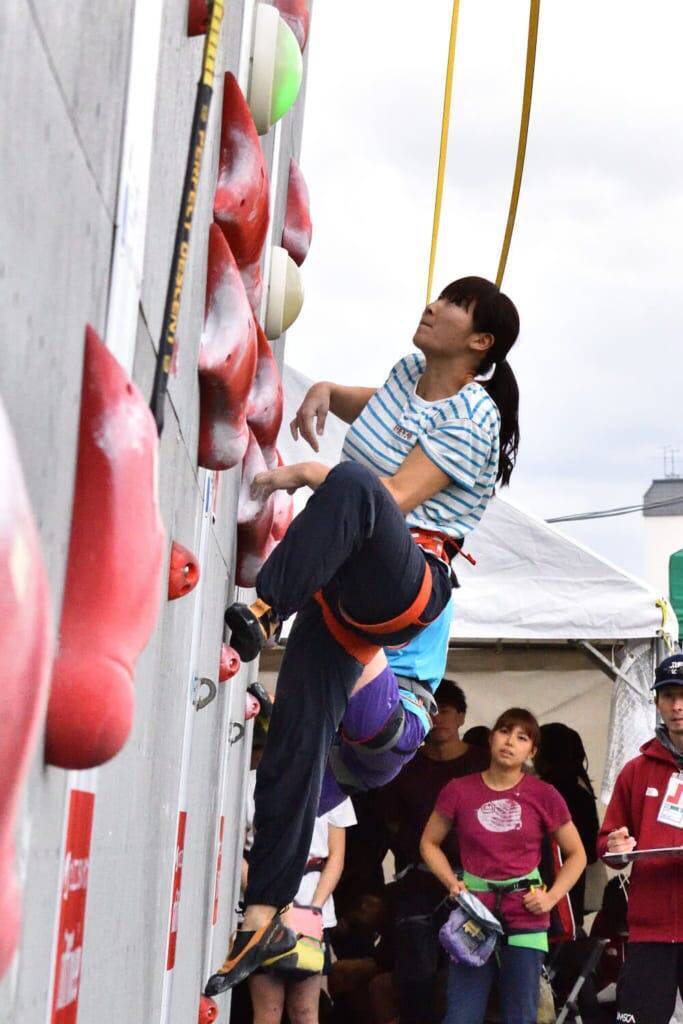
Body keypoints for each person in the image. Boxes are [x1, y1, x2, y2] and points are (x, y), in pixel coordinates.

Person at [206, 278, 521, 994]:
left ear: (479, 344)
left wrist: (307, 470)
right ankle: (265, 912)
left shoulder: (474, 420)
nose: (431, 305)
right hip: (344, 591)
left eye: (452, 304)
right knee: (293, 742)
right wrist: (324, 390)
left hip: (404, 583)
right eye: (436, 295)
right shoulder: (410, 372)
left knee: (350, 484)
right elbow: (374, 405)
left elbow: (386, 498)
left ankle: (263, 612)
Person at [420, 708, 586, 1024]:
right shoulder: (458, 789)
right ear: (491, 737)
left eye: (522, 737)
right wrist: (451, 882)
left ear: (532, 751)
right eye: (504, 731)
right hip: (474, 913)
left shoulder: (544, 794)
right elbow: (429, 843)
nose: (510, 742)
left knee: (521, 1015)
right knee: (461, 1015)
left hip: (526, 912)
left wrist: (551, 898)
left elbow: (576, 853)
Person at [378, 679, 489, 1024]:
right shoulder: (404, 765)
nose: (437, 718)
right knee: (416, 975)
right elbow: (390, 823)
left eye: (445, 711)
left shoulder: (483, 763)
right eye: (430, 710)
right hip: (418, 883)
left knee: (468, 972)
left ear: (462, 717)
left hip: (475, 884)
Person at [597, 653, 683, 1024]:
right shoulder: (636, 770)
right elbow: (607, 845)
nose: (678, 705)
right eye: (668, 695)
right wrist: (615, 848)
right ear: (657, 702)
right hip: (653, 925)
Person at [536, 722, 599, 928]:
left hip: (548, 889)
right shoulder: (581, 790)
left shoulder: (546, 792)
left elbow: (587, 850)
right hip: (571, 890)